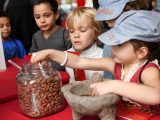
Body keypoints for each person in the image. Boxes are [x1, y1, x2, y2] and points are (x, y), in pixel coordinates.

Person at [30, 10, 160, 112]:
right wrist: (50, 53)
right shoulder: (116, 64)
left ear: (141, 52)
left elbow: (156, 95)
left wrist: (114, 85)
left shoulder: (148, 71)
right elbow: (80, 62)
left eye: (119, 45)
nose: (112, 48)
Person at [94, 0, 152, 79]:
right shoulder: (109, 47)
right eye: (106, 17)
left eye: (112, 17)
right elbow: (108, 79)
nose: (107, 22)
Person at [29, 0, 72, 70]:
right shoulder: (36, 36)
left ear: (56, 15)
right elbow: (32, 55)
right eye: (37, 17)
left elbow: (73, 59)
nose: (42, 20)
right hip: (43, 77)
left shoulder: (65, 34)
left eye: (47, 15)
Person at [65, 7, 103, 82]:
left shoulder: (103, 56)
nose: (76, 35)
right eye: (72, 31)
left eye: (83, 30)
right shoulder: (66, 56)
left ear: (95, 32)